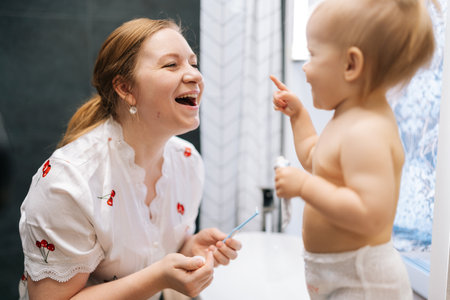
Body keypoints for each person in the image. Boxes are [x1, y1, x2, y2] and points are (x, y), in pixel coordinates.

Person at [18, 18, 241, 300]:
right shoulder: (68, 182)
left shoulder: (188, 161)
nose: (195, 76)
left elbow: (156, 253)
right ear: (125, 89)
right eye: (171, 65)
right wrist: (158, 277)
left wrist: (190, 249)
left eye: (193, 64)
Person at [271, 0, 435, 299]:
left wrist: (305, 186)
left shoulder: (367, 131)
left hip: (363, 282)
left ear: (351, 65)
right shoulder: (347, 119)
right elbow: (314, 158)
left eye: (312, 55)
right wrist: (299, 117)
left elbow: (368, 213)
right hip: (336, 275)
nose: (305, 69)